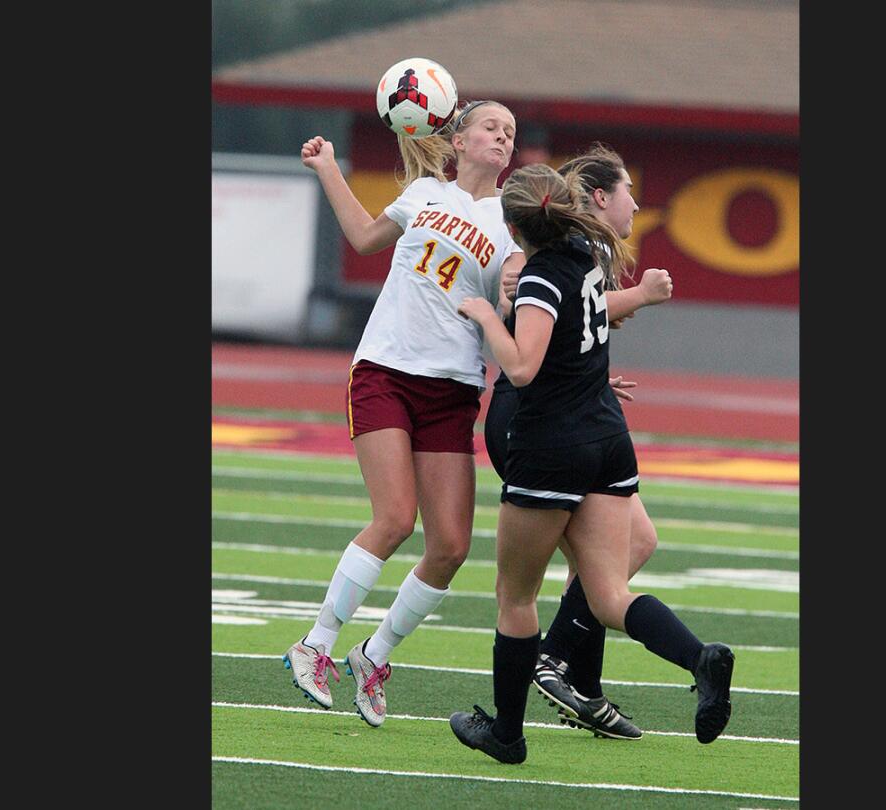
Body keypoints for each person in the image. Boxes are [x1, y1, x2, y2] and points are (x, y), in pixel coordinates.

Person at [450, 163, 735, 765]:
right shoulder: (584, 257)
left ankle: (506, 734)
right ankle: (699, 658)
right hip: (606, 438)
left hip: (551, 447)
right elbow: (585, 325)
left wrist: (482, 316)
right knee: (608, 592)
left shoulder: (537, 277)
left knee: (515, 598)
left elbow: (522, 367)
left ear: (513, 223)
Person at [283, 99, 525, 729]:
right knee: (393, 518)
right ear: (460, 138)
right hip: (386, 370)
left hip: (452, 389)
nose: (502, 138)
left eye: (511, 133)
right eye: (491, 127)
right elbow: (363, 238)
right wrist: (328, 165)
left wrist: (516, 291)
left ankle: (374, 656)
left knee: (449, 546)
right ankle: (316, 644)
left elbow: (520, 301)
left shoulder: (510, 222)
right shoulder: (423, 192)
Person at [481, 144, 672, 741]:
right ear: (597, 199)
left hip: (573, 417)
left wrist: (588, 371)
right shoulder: (545, 251)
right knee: (558, 582)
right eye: (626, 192)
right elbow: (526, 350)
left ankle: (568, 675)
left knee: (627, 550)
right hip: (534, 421)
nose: (636, 204)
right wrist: (638, 297)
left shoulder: (582, 251)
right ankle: (558, 669)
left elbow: (571, 328)